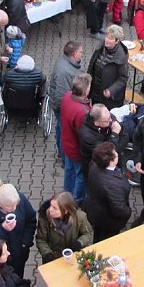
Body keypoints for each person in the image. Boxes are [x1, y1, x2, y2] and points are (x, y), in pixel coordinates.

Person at [84, 141, 131, 243]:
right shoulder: (113, 185)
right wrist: (128, 212)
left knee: (98, 236)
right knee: (107, 241)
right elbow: (119, 210)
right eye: (115, 153)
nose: (117, 153)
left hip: (96, 212)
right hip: (109, 221)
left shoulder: (94, 164)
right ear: (111, 161)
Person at [48, 41, 85, 158]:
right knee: (63, 131)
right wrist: (65, 110)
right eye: (80, 52)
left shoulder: (65, 61)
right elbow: (60, 95)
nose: (82, 54)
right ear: (74, 54)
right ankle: (63, 155)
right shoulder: (64, 71)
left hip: (65, 104)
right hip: (63, 107)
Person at [36, 192, 93, 265]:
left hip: (74, 257)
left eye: (55, 208)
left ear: (66, 211)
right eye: (50, 205)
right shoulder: (44, 219)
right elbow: (41, 239)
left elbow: (89, 233)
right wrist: (47, 254)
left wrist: (80, 242)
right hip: (54, 259)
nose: (50, 210)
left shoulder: (80, 217)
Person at [61, 74, 92, 203]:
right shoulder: (82, 112)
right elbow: (83, 134)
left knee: (69, 170)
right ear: (85, 91)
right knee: (80, 175)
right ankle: (76, 200)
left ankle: (66, 194)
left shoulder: (67, 96)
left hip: (66, 144)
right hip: (77, 149)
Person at [87, 25, 129, 109]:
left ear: (117, 41)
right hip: (95, 90)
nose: (106, 40)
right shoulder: (100, 47)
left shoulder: (121, 57)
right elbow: (91, 65)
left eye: (110, 38)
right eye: (106, 36)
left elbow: (123, 78)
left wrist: (111, 90)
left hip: (108, 98)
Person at [79, 104, 122, 178]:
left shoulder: (108, 116)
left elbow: (124, 136)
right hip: (97, 169)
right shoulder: (87, 136)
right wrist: (114, 134)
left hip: (112, 164)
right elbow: (106, 153)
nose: (111, 121)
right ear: (97, 123)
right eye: (107, 121)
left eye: (110, 117)